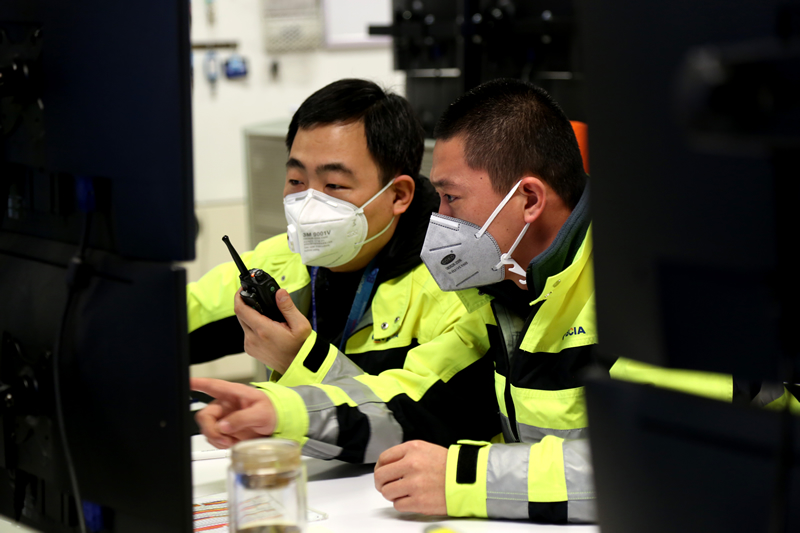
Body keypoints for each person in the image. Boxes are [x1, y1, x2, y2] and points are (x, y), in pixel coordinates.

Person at [372, 78, 800, 523]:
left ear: (530, 199)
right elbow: (415, 386)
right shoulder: (507, 284)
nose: (439, 218)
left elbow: (660, 460)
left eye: (450, 198)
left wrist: (463, 478)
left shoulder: (658, 278)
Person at [188, 78, 499, 462]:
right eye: (296, 180)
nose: (308, 203)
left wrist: (300, 360)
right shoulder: (283, 260)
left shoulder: (457, 286)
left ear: (399, 195)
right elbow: (177, 317)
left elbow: (408, 419)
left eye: (334, 185)